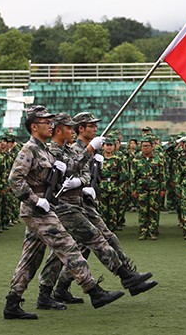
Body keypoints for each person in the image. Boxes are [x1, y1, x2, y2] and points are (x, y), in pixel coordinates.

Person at [4, 106, 121, 320]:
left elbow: (57, 176)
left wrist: (62, 173)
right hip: (37, 211)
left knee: (31, 258)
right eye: (46, 122)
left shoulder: (44, 150)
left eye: (51, 122)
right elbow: (15, 180)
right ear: (34, 126)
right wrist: (36, 200)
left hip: (46, 207)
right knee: (68, 247)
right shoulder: (29, 149)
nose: (51, 125)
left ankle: (12, 303)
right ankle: (93, 291)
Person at [35, 112, 155, 310]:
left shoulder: (78, 149)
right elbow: (72, 169)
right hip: (67, 205)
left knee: (93, 241)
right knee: (77, 245)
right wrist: (82, 175)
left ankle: (125, 276)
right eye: (91, 125)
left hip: (83, 204)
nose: (95, 129)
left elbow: (83, 174)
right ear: (81, 128)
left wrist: (87, 178)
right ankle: (124, 276)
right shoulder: (70, 149)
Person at [130, 135, 165, 240]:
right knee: (143, 210)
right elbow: (132, 176)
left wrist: (163, 189)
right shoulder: (136, 159)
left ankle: (153, 231)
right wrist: (133, 190)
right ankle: (143, 231)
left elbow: (162, 175)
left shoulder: (158, 159)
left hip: (155, 187)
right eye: (143, 146)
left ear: (152, 146)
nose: (145, 148)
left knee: (154, 210)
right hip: (141, 187)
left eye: (147, 146)